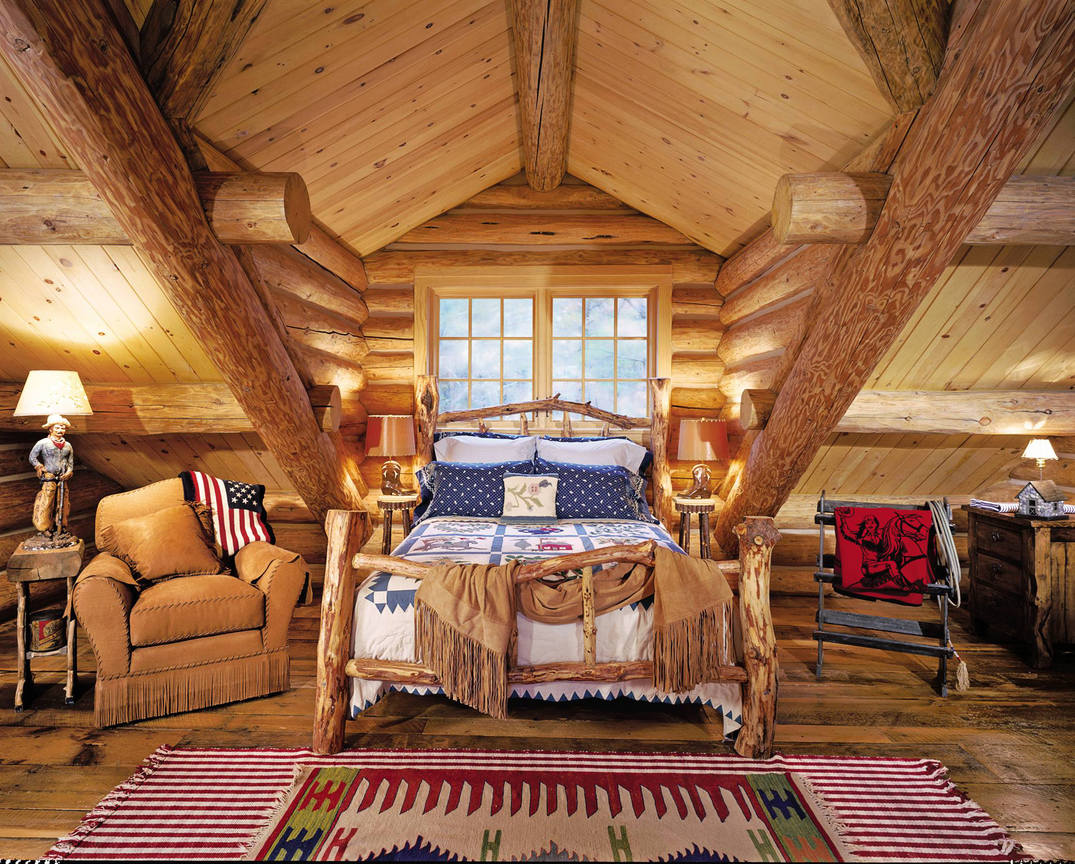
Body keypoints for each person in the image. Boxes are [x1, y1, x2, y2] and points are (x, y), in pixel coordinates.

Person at [28, 414, 75, 544]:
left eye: (63, 428)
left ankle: (60, 525)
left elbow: (70, 462)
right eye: (57, 428)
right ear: (51, 429)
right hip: (49, 477)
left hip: (62, 478)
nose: (60, 430)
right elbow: (32, 457)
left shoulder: (68, 445)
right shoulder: (43, 443)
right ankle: (44, 527)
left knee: (63, 501)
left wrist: (69, 472)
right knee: (47, 501)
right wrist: (39, 467)